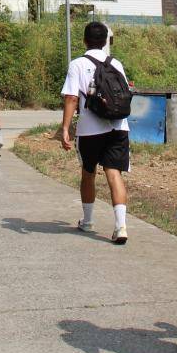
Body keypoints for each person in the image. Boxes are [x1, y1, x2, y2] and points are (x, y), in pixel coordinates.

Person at [59, 21, 130, 245]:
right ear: (105, 41)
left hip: (90, 129)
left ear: (84, 40)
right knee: (114, 173)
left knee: (88, 173)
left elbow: (71, 98)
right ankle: (121, 226)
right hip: (118, 126)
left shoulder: (78, 64)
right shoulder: (116, 63)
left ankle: (88, 221)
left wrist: (65, 128)